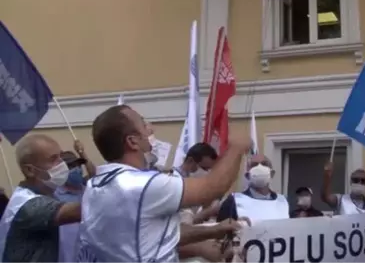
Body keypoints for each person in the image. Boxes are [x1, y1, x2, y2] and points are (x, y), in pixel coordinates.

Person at [77, 105, 251, 262]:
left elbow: (158, 234)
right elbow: (212, 187)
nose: (150, 130)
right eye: (144, 125)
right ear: (132, 141)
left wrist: (213, 230)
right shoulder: (144, 185)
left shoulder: (95, 186)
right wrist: (236, 147)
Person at [0, 134, 81, 263]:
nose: (62, 164)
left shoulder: (48, 195)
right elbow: (81, 211)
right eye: (53, 159)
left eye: (61, 156)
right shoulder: (25, 205)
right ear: (30, 170)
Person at [54, 142, 96, 263]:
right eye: (71, 167)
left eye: (78, 165)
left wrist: (82, 153)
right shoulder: (54, 196)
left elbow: (96, 175)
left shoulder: (88, 188)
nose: (77, 169)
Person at [217, 153, 289, 223]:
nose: (260, 168)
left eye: (264, 164)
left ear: (272, 173)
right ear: (247, 175)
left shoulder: (283, 201)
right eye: (254, 165)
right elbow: (220, 231)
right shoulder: (233, 201)